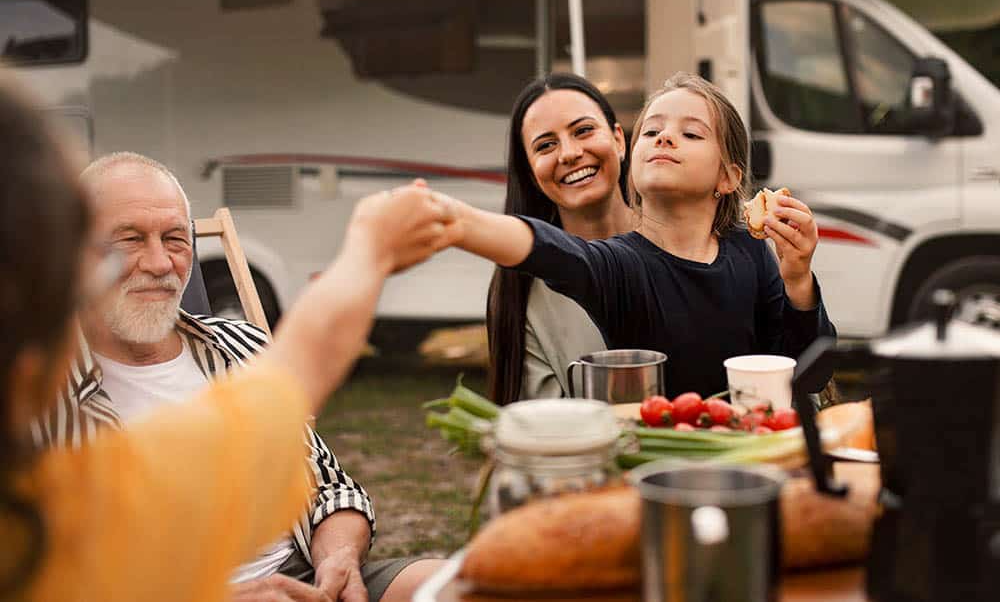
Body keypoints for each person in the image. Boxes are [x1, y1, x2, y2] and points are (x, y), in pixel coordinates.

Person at [0, 73, 458, 601]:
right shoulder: (45, 408)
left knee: (465, 586)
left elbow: (329, 486)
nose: (159, 263)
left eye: (176, 239)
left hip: (302, 577)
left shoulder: (238, 344)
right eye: (128, 241)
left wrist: (337, 560)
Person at [442, 72, 837, 399]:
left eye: (691, 134)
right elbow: (553, 251)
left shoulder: (751, 249)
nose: (664, 138)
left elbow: (808, 375)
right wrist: (458, 220)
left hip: (751, 456)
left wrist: (798, 279)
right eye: (651, 131)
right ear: (634, 160)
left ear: (728, 177)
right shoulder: (620, 264)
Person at [487, 74, 632, 404]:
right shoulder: (522, 291)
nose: (569, 153)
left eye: (583, 130)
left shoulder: (680, 243)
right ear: (531, 174)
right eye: (545, 145)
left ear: (619, 140)